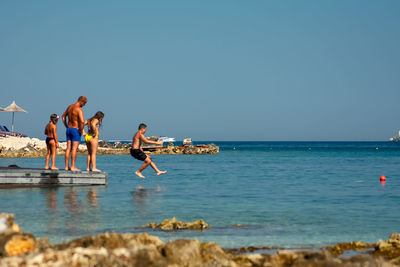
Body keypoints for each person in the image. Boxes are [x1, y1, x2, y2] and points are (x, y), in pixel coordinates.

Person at [62, 96, 87, 171]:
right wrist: (81, 130)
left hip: (68, 129)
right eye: (84, 103)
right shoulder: (79, 110)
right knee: (74, 149)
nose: (84, 105)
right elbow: (82, 121)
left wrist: (66, 125)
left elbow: (63, 117)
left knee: (68, 148)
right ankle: (73, 166)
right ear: (81, 102)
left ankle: (66, 167)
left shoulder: (70, 107)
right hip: (75, 130)